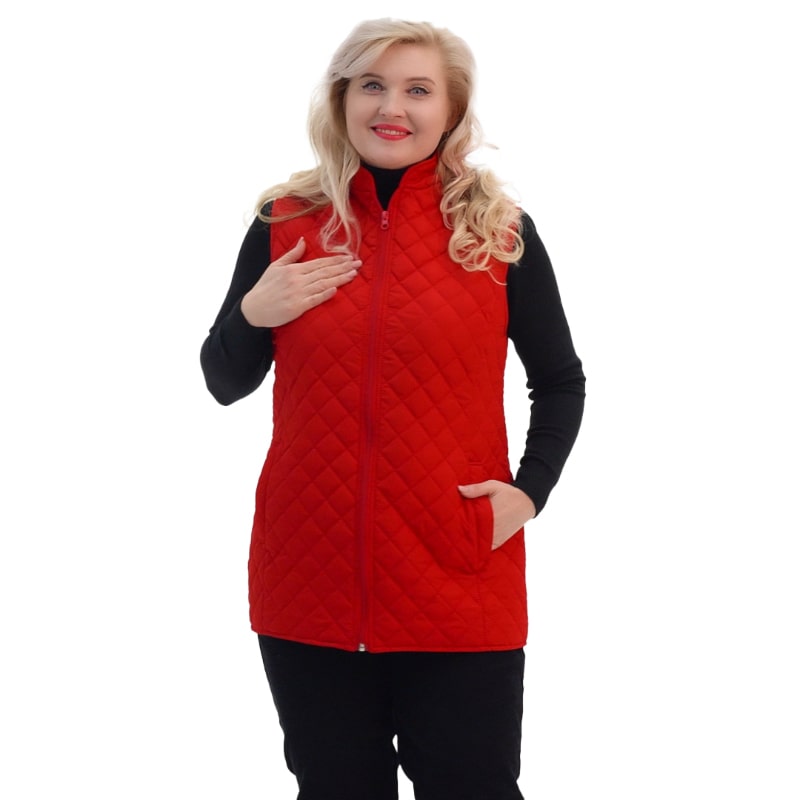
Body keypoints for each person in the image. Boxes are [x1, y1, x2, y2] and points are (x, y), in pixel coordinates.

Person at [201, 18, 585, 800]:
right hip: (307, 578)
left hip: (458, 572)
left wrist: (530, 492)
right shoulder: (285, 224)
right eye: (372, 85)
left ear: (451, 110)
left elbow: (561, 379)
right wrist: (254, 313)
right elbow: (223, 380)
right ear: (342, 99)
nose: (392, 107)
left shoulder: (498, 233)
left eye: (418, 89)